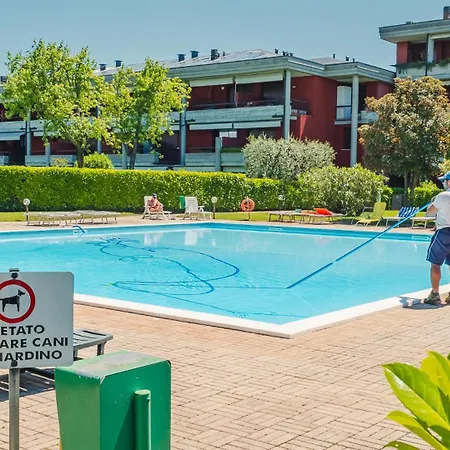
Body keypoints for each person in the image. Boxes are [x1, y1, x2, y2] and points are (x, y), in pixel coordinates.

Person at [425, 172, 450, 304]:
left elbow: (429, 212)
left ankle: (435, 294)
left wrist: (433, 202)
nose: (443, 183)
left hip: (444, 232)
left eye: (444, 181)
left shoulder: (443, 196)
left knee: (435, 263)